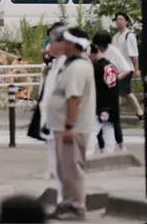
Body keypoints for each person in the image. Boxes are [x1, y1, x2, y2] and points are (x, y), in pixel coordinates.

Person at [44, 27, 95, 221]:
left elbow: (74, 99)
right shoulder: (72, 64)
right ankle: (67, 203)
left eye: (64, 41)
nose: (61, 45)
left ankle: (75, 206)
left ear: (73, 44)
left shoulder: (77, 67)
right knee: (64, 168)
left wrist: (69, 126)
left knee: (72, 169)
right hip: (64, 126)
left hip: (73, 128)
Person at [28, 22, 68, 204]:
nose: (48, 46)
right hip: (50, 118)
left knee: (66, 164)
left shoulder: (67, 64)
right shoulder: (55, 64)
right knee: (56, 159)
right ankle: (61, 200)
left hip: (63, 120)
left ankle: (68, 202)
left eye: (52, 41)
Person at [91, 31, 130, 151]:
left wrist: (111, 79)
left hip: (109, 90)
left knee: (109, 121)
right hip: (101, 92)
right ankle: (105, 148)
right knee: (107, 124)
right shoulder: (97, 57)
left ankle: (120, 144)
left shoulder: (113, 52)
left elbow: (126, 69)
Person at [88, 39, 121, 157]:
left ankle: (88, 153)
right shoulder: (110, 65)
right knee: (109, 128)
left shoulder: (96, 67)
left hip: (101, 102)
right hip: (112, 102)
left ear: (92, 53)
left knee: (92, 129)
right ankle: (109, 153)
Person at [112, 12, 143, 121]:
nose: (119, 21)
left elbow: (134, 55)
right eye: (117, 19)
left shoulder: (129, 36)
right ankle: (139, 112)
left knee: (118, 92)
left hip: (127, 68)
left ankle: (114, 114)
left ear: (126, 22)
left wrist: (136, 69)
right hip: (117, 69)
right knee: (127, 92)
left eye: (121, 19)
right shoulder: (115, 36)